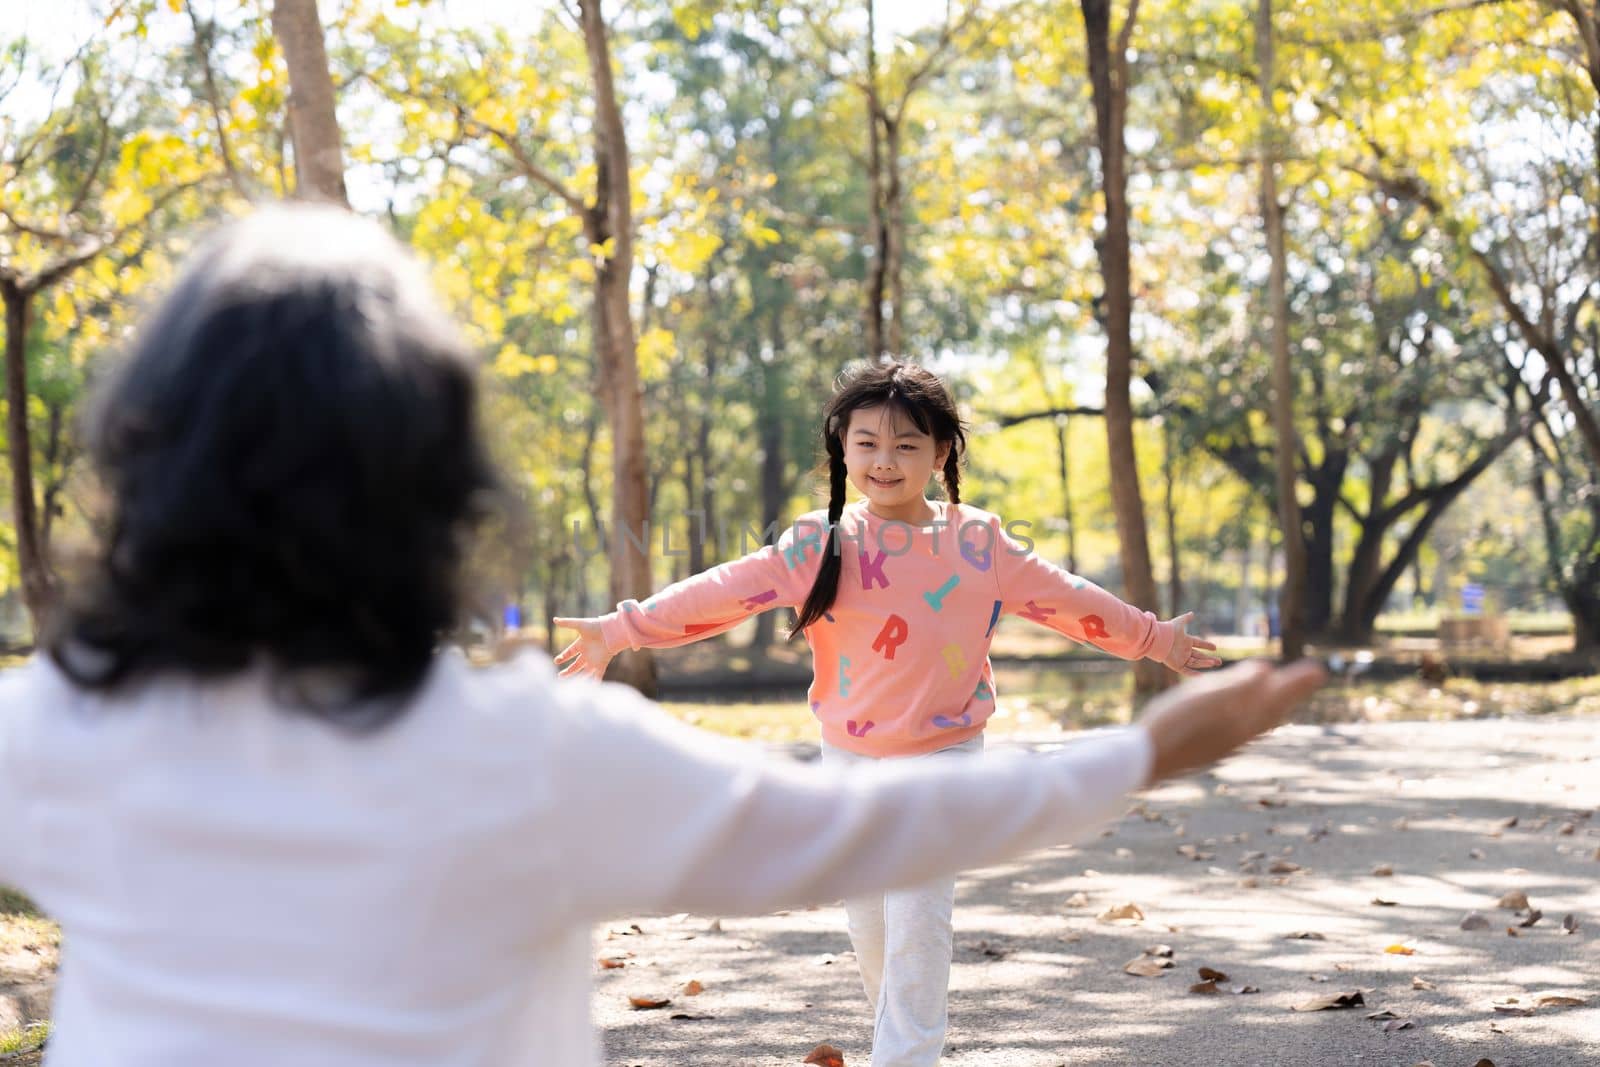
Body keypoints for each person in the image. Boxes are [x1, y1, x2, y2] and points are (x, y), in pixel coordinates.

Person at [0, 205, 1322, 1067]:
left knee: (904, 932)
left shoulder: (49, 729)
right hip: (869, 762)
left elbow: (1042, 610)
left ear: (138, 462)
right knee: (883, 911)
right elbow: (828, 804)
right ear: (447, 479)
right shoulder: (534, 749)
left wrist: (1145, 642)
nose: (880, 455)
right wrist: (1145, 753)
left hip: (932, 747)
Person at [554, 360, 1224, 1066]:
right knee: (871, 923)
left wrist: (1156, 639)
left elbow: (1072, 599)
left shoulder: (979, 542)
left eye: (907, 444)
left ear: (941, 454)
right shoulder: (817, 544)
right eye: (867, 442)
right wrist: (621, 629)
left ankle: (907, 1056)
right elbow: (721, 592)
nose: (885, 460)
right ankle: (896, 1034)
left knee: (917, 921)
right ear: (842, 450)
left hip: (943, 756)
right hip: (849, 758)